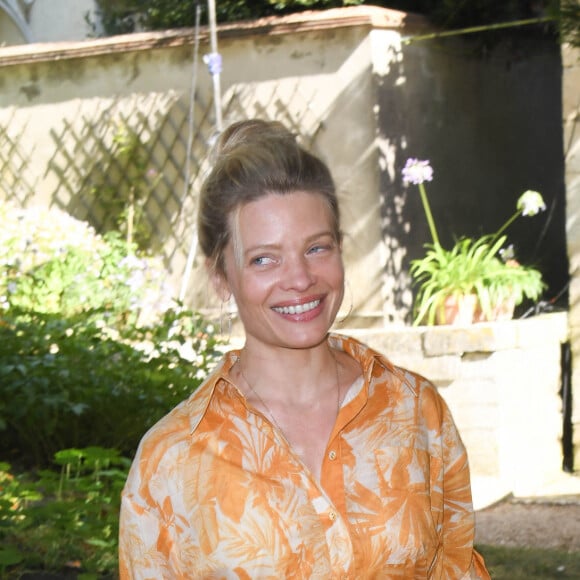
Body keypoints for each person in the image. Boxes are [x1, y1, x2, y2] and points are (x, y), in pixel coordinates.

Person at [119, 119, 490, 579]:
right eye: (264, 259)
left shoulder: (415, 410)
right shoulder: (171, 459)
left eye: (317, 248)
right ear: (220, 276)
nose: (299, 278)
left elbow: (455, 568)